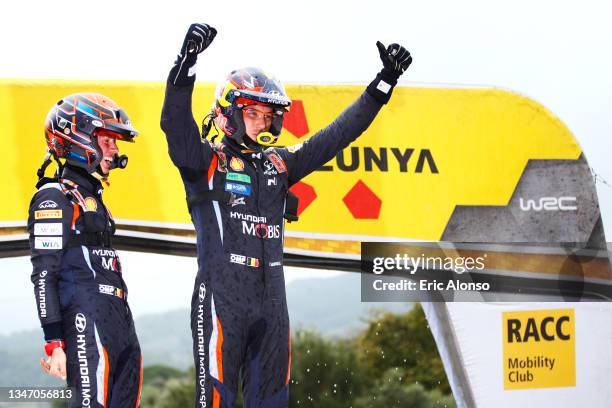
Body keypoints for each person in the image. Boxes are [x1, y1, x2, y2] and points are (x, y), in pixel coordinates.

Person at [161, 23, 412, 407]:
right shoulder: (204, 161)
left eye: (270, 115)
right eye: (254, 113)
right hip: (222, 296)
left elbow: (337, 135)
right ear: (228, 112)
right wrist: (186, 63)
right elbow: (174, 125)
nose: (265, 122)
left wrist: (384, 82)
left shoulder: (279, 163)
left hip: (273, 299)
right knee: (216, 401)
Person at [29, 93, 143, 407]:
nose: (116, 150)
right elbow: (43, 275)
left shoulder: (93, 197)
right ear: (79, 138)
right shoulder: (54, 196)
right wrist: (54, 342)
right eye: (108, 140)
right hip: (85, 320)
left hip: (119, 320)